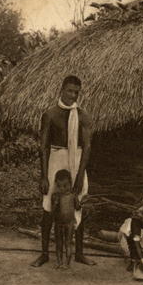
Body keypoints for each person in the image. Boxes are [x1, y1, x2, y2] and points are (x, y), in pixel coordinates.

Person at [31, 75, 96, 267]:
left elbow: (87, 148)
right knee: (49, 206)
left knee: (78, 204)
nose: (73, 95)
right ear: (61, 89)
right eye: (69, 90)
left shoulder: (83, 116)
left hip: (76, 162)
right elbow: (43, 147)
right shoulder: (50, 115)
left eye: (76, 92)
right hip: (56, 161)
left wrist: (78, 178)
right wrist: (44, 176)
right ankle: (44, 254)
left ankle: (79, 253)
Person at [51, 169, 79, 269]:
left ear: (70, 184)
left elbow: (78, 207)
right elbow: (52, 212)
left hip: (69, 223)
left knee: (68, 243)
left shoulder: (72, 196)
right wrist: (55, 203)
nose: (62, 189)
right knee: (59, 244)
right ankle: (59, 261)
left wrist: (80, 200)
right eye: (59, 186)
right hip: (58, 223)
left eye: (65, 186)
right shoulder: (54, 196)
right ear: (55, 185)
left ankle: (67, 263)